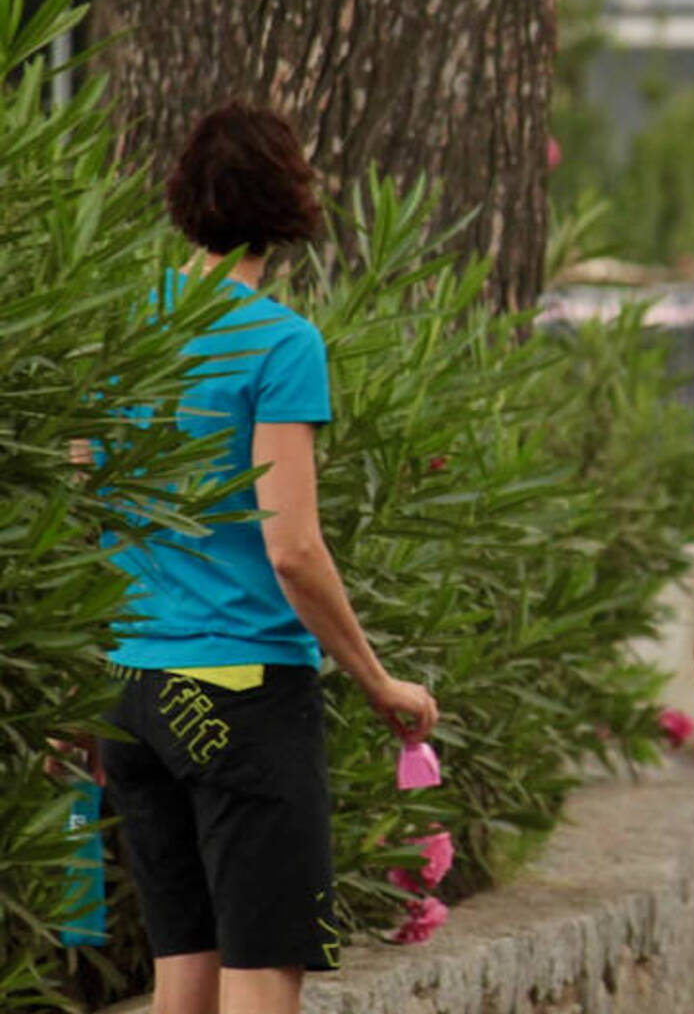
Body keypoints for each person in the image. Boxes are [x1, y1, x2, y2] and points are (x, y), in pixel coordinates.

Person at [95, 101, 438, 1014]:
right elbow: (292, 548)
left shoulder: (122, 333)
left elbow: (89, 507)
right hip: (239, 696)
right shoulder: (280, 343)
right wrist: (377, 681)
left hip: (134, 695)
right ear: (289, 203)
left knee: (185, 976)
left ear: (183, 199)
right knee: (259, 975)